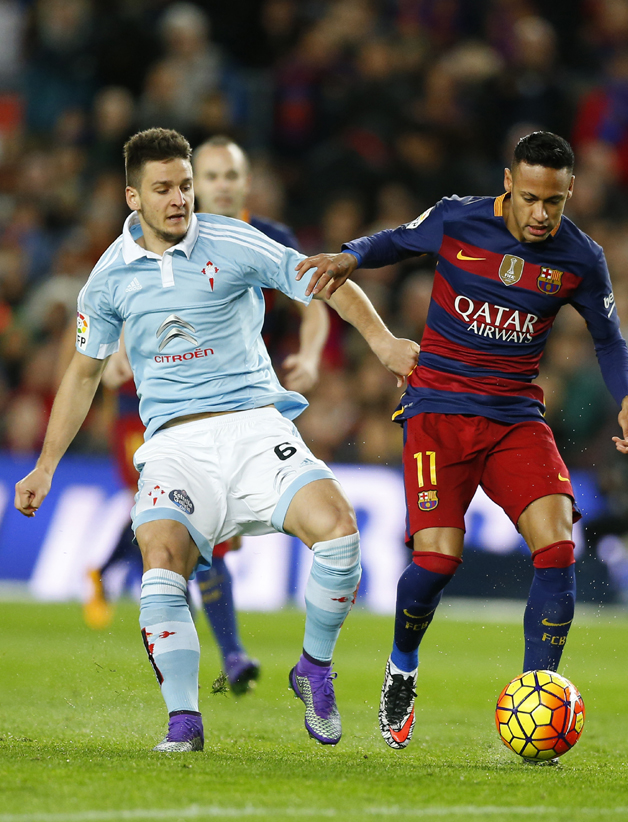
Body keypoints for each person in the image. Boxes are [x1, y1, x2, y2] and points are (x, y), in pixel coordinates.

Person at [15, 127, 419, 752]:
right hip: (174, 443)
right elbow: (84, 372)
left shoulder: (232, 241)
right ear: (133, 198)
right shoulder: (108, 278)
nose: (180, 199)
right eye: (163, 189)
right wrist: (45, 466)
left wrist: (385, 342)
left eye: (184, 185)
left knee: (339, 533)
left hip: (256, 426)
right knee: (160, 560)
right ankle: (184, 721)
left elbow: (325, 282)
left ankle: (313, 669)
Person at [296, 131, 628, 752]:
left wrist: (627, 396)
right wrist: (350, 256)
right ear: (509, 184)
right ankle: (402, 666)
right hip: (438, 412)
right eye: (532, 198)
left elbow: (609, 338)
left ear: (570, 194)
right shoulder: (458, 218)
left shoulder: (580, 258)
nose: (542, 214)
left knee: (559, 547)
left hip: (514, 416)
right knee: (437, 562)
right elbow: (396, 240)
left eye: (555, 203)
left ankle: (540, 688)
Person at [191, 135, 330, 695]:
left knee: (215, 534)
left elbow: (316, 300)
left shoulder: (270, 238)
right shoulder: (173, 235)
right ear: (193, 184)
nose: (222, 185)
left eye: (231, 175)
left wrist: (312, 356)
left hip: (251, 401)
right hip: (188, 405)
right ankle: (230, 656)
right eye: (212, 175)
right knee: (202, 536)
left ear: (247, 183)